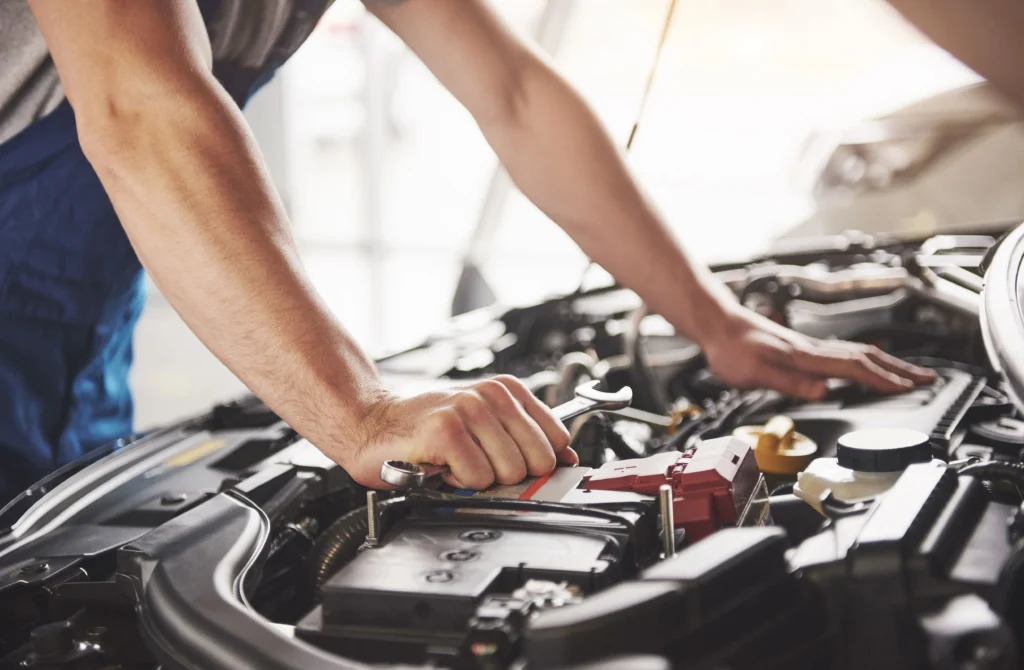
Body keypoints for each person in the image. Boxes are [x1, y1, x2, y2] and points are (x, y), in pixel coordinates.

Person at [0, 0, 933, 504]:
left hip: (75, 324)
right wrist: (361, 414)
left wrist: (713, 321)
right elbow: (138, 112)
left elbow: (515, 92)